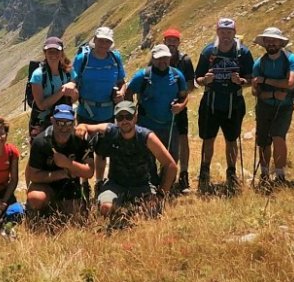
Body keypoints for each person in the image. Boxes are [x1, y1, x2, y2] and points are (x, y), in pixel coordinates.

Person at [79, 100, 177, 220]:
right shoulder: (111, 130)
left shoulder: (146, 137)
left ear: (135, 117)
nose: (124, 121)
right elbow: (87, 127)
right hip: (116, 184)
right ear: (116, 119)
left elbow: (171, 165)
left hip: (142, 185)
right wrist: (81, 128)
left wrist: (161, 195)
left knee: (147, 214)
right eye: (120, 117)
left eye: (128, 116)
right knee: (105, 208)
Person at [196, 17, 255, 194]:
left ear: (234, 33)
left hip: (233, 103)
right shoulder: (208, 52)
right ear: (217, 32)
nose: (226, 36)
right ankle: (204, 172)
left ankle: (231, 173)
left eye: (229, 32)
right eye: (222, 32)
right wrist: (205, 80)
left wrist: (242, 81)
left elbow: (252, 79)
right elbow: (197, 79)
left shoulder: (243, 53)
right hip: (211, 102)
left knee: (232, 139)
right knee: (208, 139)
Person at [122, 43, 189, 187]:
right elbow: (128, 93)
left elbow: (184, 95)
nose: (162, 61)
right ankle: (152, 186)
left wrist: (180, 106)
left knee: (171, 158)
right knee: (148, 158)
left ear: (170, 58)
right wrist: (130, 114)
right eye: (159, 58)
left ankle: (165, 187)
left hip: (170, 125)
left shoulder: (177, 76)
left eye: (165, 58)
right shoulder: (143, 76)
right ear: (153, 59)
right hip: (147, 126)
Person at [71, 26, 126, 189]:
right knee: (84, 150)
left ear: (111, 44)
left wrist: (121, 93)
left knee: (102, 151)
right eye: (100, 40)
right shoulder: (83, 59)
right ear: (94, 40)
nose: (103, 44)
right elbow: (73, 81)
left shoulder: (115, 59)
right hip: (85, 111)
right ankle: (84, 183)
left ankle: (99, 182)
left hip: (107, 112)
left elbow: (122, 82)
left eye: (107, 41)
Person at [24, 104, 95, 220]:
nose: (64, 128)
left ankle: (54, 209)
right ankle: (36, 215)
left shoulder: (81, 139)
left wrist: (67, 163)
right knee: (36, 198)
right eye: (59, 123)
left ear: (74, 122)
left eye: (68, 123)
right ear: (52, 120)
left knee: (77, 217)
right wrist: (64, 173)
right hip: (45, 185)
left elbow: (89, 172)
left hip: (70, 186)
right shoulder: (41, 141)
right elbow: (33, 175)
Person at [251, 27, 294, 188]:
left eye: (274, 40)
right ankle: (265, 174)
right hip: (265, 106)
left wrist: (265, 81)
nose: (271, 43)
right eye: (268, 40)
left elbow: (290, 84)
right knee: (263, 141)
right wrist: (273, 93)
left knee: (278, 136)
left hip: (284, 106)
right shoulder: (259, 63)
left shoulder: (291, 59)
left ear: (281, 42)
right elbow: (255, 91)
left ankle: (280, 175)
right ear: (264, 43)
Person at [160, 28, 196, 192]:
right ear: (164, 42)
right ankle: (165, 173)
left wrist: (179, 94)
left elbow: (190, 86)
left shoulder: (185, 60)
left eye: (174, 41)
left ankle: (184, 173)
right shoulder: (157, 59)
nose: (172, 44)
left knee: (182, 138)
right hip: (161, 106)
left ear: (178, 43)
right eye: (169, 40)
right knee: (162, 139)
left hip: (180, 106)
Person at [28, 35, 77, 139]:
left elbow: (75, 98)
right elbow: (41, 105)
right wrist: (62, 91)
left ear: (62, 53)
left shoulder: (69, 72)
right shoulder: (38, 75)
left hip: (64, 119)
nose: (53, 54)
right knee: (41, 149)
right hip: (42, 121)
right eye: (50, 51)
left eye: (57, 51)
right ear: (45, 53)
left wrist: (73, 90)